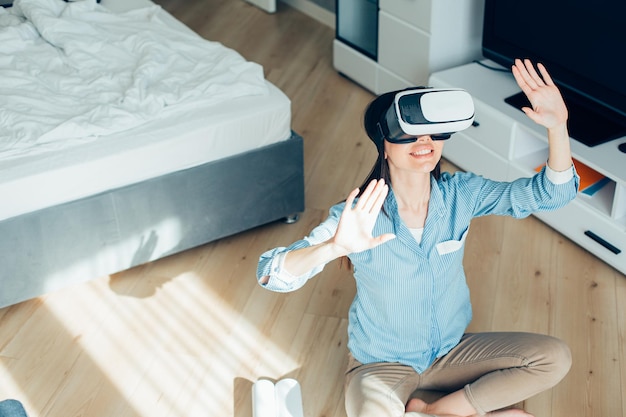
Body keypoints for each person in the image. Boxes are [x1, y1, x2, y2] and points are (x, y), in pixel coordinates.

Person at [256, 59, 579, 417]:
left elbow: (552, 194)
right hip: (381, 366)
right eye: (410, 132)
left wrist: (557, 125)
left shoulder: (462, 194)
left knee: (554, 358)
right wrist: (334, 247)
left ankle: (441, 410)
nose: (424, 140)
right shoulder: (356, 216)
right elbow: (270, 274)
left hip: (451, 355)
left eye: (433, 131)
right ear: (384, 143)